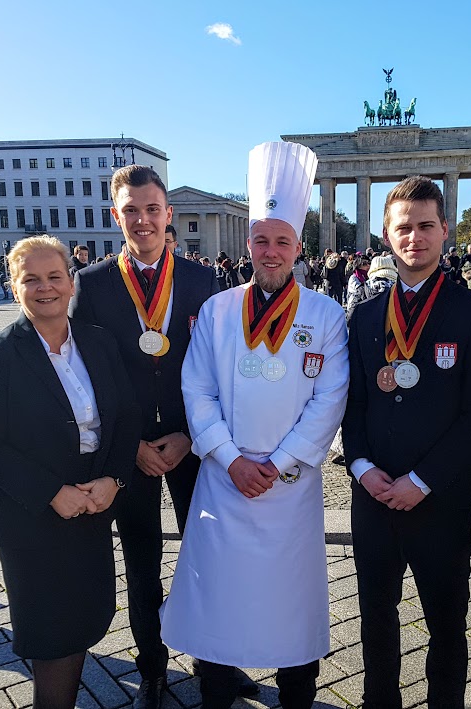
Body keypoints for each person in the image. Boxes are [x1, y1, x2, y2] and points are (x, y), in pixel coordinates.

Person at [161, 142, 349, 709]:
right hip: (225, 479)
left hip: (289, 489)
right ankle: (216, 695)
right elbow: (196, 389)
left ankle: (296, 696)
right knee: (220, 600)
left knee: (290, 606)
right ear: (249, 244)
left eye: (282, 241)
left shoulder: (325, 315)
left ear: (298, 247)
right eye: (262, 240)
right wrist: (230, 457)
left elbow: (329, 400)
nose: (271, 251)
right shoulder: (218, 310)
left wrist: (281, 462)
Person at [69, 166, 254, 709]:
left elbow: (224, 369)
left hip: (191, 445)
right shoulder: (96, 283)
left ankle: (216, 661)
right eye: (131, 210)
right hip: (130, 451)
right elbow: (85, 375)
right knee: (142, 563)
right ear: (115, 216)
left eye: (152, 209)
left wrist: (191, 437)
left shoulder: (201, 280)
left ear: (168, 214)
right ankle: (152, 669)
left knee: (209, 559)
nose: (143, 220)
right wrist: (128, 446)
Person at [343, 176, 471, 709]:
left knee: (447, 627)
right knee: (375, 620)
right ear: (386, 235)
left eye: (426, 226)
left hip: (441, 498)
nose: (415, 237)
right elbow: (356, 403)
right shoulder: (365, 315)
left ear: (444, 232)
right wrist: (361, 466)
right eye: (403, 227)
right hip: (373, 495)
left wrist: (422, 480)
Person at [0, 236, 141, 709]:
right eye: (31, 279)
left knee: (85, 617)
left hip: (92, 504)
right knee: (49, 635)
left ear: (70, 281)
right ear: (13, 287)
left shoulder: (98, 342)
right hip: (33, 515)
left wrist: (114, 479)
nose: (45, 288)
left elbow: (124, 417)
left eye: (54, 277)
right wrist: (50, 492)